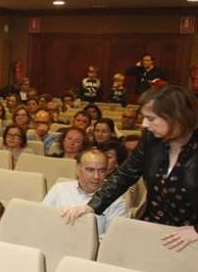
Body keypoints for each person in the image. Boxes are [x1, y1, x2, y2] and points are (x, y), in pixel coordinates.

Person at [63, 85, 198, 250]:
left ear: (176, 118)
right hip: (154, 226)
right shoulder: (151, 139)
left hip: (191, 238)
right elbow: (125, 174)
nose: (144, 124)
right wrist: (92, 205)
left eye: (151, 118)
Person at [44, 148, 128, 238]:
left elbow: (112, 238)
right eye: (90, 170)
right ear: (78, 169)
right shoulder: (60, 189)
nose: (96, 176)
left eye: (102, 170)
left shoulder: (117, 202)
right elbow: (42, 218)